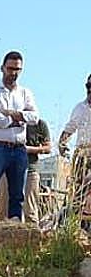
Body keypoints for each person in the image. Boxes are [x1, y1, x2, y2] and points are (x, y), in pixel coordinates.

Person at [0, 51, 38, 223]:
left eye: (17, 69)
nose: (13, 73)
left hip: (19, 148)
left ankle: (14, 233)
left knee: (17, 195)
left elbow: (35, 117)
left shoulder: (25, 93)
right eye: (10, 68)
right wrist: (18, 119)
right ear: (2, 68)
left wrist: (11, 114)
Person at [58, 73, 91, 220]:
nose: (90, 90)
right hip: (82, 154)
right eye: (88, 86)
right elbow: (70, 128)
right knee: (77, 192)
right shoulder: (80, 107)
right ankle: (71, 224)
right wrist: (62, 143)